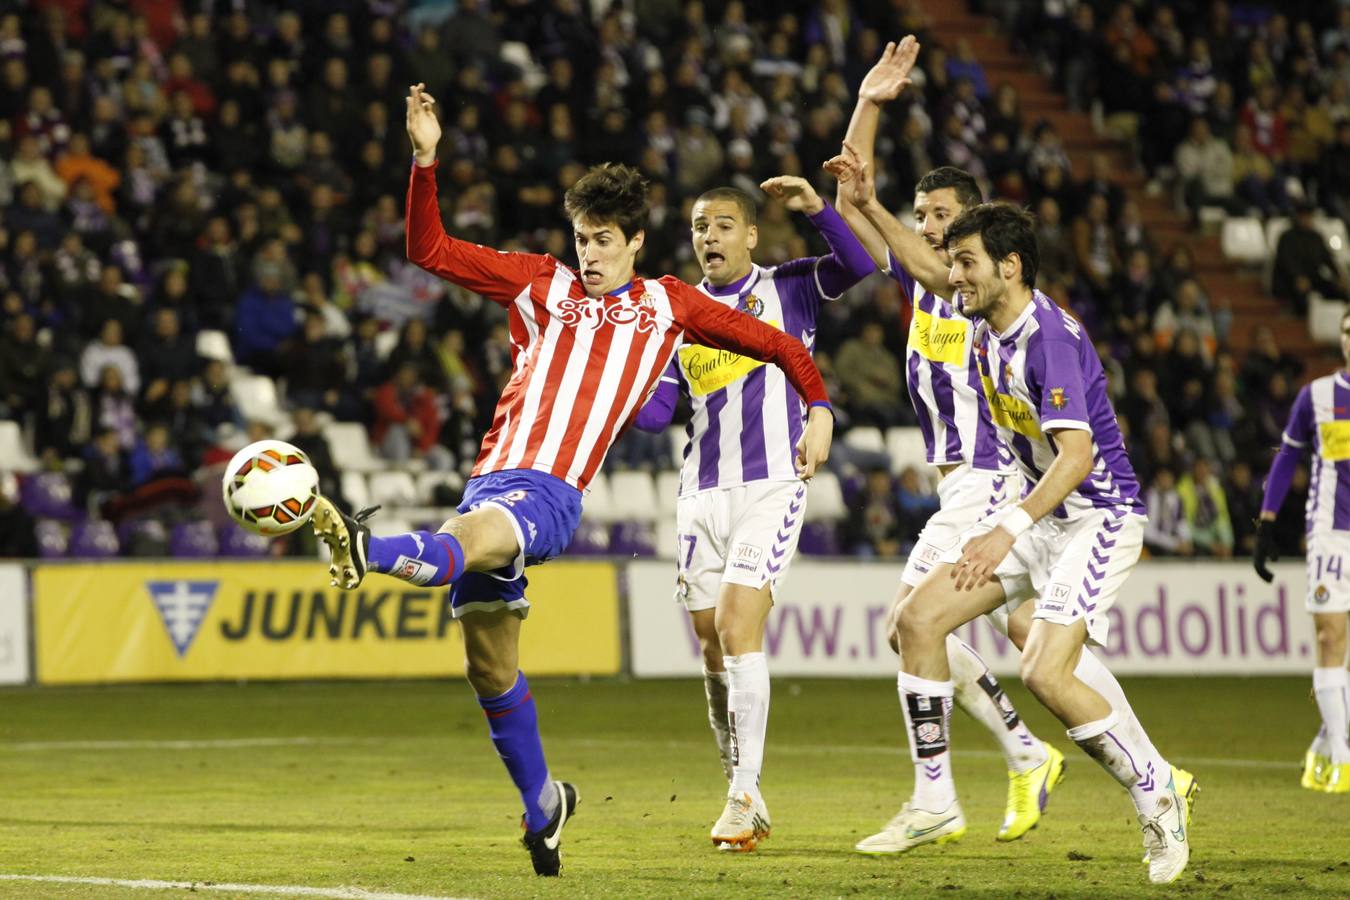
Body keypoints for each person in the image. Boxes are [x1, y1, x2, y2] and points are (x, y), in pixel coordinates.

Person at [310, 84, 834, 878]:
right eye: (580, 239)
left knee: (462, 542)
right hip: (490, 480)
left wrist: (819, 408)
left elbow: (782, 347)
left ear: (634, 241)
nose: (587, 254)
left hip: (550, 493)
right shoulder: (539, 282)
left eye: (602, 240)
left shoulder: (669, 304)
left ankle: (367, 548)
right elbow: (429, 250)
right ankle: (543, 804)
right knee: (489, 667)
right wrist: (425, 161)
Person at [887, 202, 1194, 884]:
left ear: (1010, 266)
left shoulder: (1046, 338)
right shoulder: (984, 335)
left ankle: (1156, 793)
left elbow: (1076, 455)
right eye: (953, 262)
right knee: (917, 619)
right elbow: (1014, 452)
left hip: (1099, 517)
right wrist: (996, 524)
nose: (954, 276)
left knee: (1045, 672)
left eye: (966, 263)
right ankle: (936, 798)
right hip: (1039, 515)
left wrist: (1007, 529)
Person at [827, 37, 1066, 852]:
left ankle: (948, 794)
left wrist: (894, 219)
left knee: (914, 623)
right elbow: (854, 196)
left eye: (938, 218)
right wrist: (867, 104)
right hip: (957, 481)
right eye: (920, 215)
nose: (924, 227)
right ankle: (1035, 753)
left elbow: (923, 259)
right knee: (925, 628)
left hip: (988, 479)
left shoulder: (969, 290)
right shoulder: (923, 285)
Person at [629, 174, 872, 851]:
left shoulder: (788, 287)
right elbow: (656, 415)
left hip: (771, 483)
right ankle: (740, 784)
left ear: (751, 234)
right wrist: (622, 378)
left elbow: (859, 264)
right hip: (700, 493)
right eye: (701, 225)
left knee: (739, 625)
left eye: (724, 223)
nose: (709, 235)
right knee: (710, 640)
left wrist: (819, 211)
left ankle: (743, 793)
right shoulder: (679, 313)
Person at [1254, 308, 1350, 794]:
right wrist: (1267, 523)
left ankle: (1323, 745)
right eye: (1349, 332)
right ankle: (1344, 758)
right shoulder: (1317, 396)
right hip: (1330, 535)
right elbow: (1288, 453)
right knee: (1332, 639)